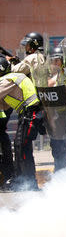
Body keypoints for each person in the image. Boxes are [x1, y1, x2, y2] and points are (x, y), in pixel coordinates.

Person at [0, 62, 45, 190]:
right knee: (21, 145)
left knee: (22, 146)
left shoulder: (6, 80)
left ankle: (28, 183)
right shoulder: (11, 78)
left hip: (30, 113)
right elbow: (5, 105)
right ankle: (24, 181)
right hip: (29, 113)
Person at [0, 57, 14, 188]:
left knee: (5, 154)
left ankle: (8, 177)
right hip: (2, 131)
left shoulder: (4, 83)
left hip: (1, 127)